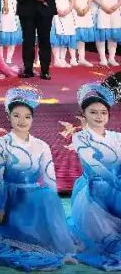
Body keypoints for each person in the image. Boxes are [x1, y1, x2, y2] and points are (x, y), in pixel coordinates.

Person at [0, 86, 75, 268]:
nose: (22, 121)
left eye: (27, 117)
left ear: (32, 119)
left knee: (48, 197)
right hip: (10, 198)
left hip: (34, 195)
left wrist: (53, 205)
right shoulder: (1, 144)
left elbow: (49, 178)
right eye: (17, 115)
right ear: (9, 117)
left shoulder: (42, 145)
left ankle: (57, 249)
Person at [69, 81, 121, 270]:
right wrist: (115, 182)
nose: (99, 117)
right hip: (95, 191)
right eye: (93, 112)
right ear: (84, 114)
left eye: (103, 112)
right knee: (105, 241)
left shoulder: (117, 137)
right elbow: (93, 165)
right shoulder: (80, 137)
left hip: (117, 187)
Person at [50, 0, 76, 68]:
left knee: (66, 34)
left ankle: (63, 59)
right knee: (56, 35)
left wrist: (69, 9)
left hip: (67, 10)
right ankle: (56, 59)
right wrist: (56, 9)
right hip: (54, 9)